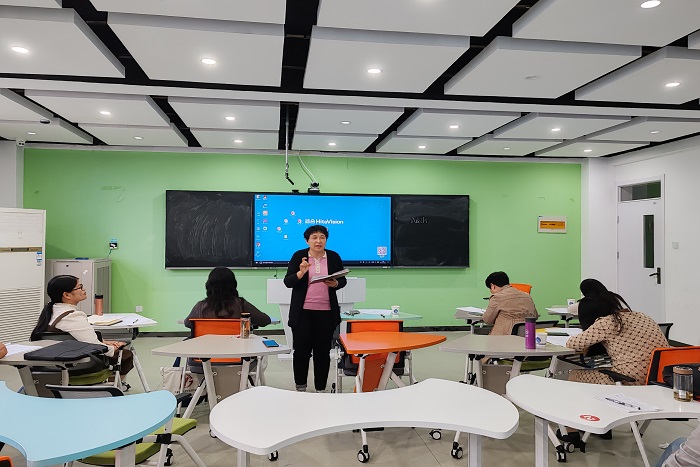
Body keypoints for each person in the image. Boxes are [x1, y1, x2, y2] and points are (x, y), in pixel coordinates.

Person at [558, 290, 668, 447]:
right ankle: (600, 424)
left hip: (629, 381)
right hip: (659, 380)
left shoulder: (607, 322)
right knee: (601, 371)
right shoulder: (642, 316)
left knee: (575, 375)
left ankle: (571, 432)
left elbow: (573, 344)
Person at [30, 275, 134, 389]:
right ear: (66, 295)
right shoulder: (73, 316)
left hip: (53, 362)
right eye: (80, 287)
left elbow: (72, 337)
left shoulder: (52, 311)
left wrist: (104, 342)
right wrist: (114, 348)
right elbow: (94, 346)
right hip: (79, 364)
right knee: (126, 355)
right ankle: (113, 388)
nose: (84, 289)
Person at [284, 225, 346, 392]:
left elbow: (343, 280)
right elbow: (288, 282)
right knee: (301, 352)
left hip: (326, 312)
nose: (318, 241)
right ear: (307, 241)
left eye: (322, 237)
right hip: (302, 313)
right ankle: (300, 387)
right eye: (314, 237)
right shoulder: (299, 256)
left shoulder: (333, 257)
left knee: (322, 353)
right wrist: (301, 273)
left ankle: (320, 389)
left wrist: (336, 283)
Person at [184, 267, 271, 334]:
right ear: (233, 285)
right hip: (236, 350)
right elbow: (265, 321)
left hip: (206, 351)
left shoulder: (200, 306)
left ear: (209, 285)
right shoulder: (241, 304)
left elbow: (187, 323)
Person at [482, 271, 538, 335]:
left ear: (492, 286)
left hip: (502, 337)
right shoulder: (527, 296)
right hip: (526, 336)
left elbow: (487, 320)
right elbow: (535, 316)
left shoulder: (497, 297)